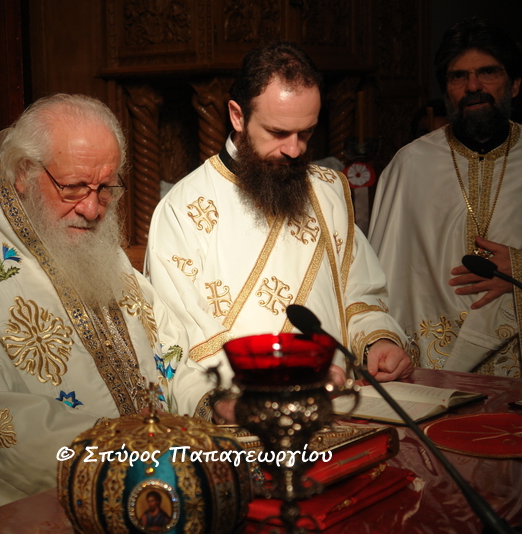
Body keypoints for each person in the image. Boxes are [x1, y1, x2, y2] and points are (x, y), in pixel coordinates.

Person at [0, 94, 191, 531]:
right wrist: (138, 453)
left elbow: (169, 351)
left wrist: (212, 404)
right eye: (74, 187)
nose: (93, 209)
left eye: (106, 188)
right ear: (24, 173)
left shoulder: (92, 246)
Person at [145, 41, 412, 418]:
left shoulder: (327, 192)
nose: (294, 150)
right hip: (246, 419)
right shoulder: (182, 211)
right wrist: (287, 379)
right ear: (238, 116)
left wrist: (377, 341)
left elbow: (359, 295)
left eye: (306, 133)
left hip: (339, 408)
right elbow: (185, 339)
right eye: (278, 132)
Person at [369, 18, 521, 377]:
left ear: (515, 84)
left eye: (488, 72)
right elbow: (378, 278)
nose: (473, 86)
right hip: (431, 369)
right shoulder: (410, 165)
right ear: (446, 90)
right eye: (458, 77)